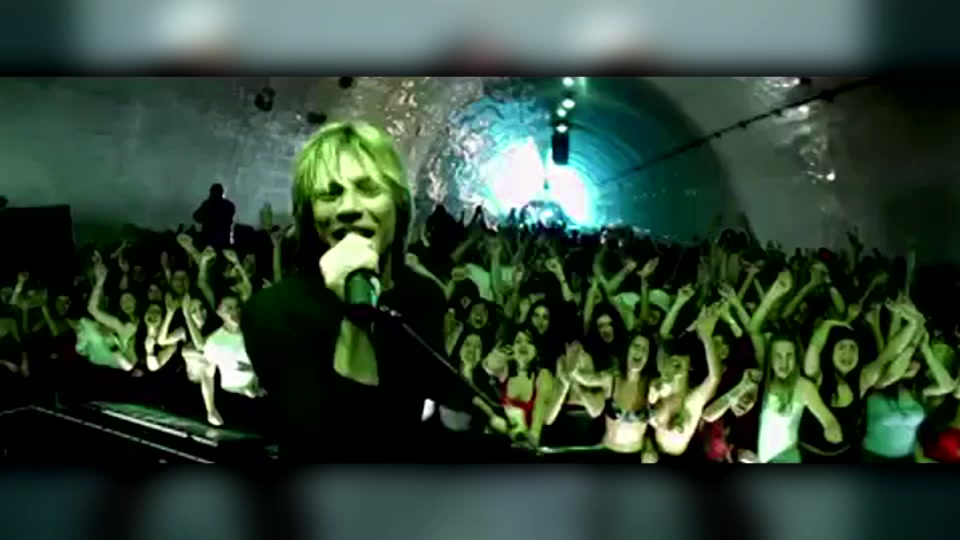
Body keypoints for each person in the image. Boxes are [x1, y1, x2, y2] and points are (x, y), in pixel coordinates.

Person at [241, 122, 493, 461]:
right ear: (310, 215)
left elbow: (425, 374)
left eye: (368, 189)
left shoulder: (422, 294)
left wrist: (492, 412)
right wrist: (355, 316)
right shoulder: (272, 311)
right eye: (329, 194)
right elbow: (334, 447)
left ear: (399, 204)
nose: (348, 208)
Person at [193, 183, 235, 250]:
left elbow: (196, 216)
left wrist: (206, 220)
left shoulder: (208, 204)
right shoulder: (229, 205)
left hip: (209, 238)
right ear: (222, 192)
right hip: (223, 239)